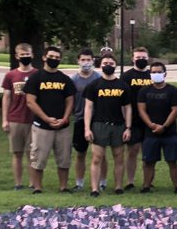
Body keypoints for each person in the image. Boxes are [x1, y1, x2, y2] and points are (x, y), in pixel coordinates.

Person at [25, 46, 76, 194]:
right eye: (51, 57)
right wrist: (46, 118)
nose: (54, 60)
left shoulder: (65, 79)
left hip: (62, 126)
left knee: (64, 159)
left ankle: (63, 187)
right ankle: (38, 187)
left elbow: (70, 101)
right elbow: (30, 102)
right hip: (41, 126)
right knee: (38, 159)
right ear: (44, 57)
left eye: (57, 57)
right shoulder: (36, 77)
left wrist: (65, 118)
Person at [83, 54, 131, 197]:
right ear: (100, 65)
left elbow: (128, 108)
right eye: (105, 63)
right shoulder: (94, 85)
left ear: (115, 65)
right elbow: (88, 107)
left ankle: (118, 187)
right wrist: (87, 128)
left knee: (119, 157)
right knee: (97, 158)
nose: (108, 65)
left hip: (118, 125)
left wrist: (128, 127)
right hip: (99, 125)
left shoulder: (122, 85)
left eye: (111, 62)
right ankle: (94, 189)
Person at [136, 60, 177, 194]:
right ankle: (146, 186)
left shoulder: (173, 90)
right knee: (148, 162)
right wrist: (151, 125)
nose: (156, 74)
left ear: (165, 74)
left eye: (159, 72)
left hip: (169, 132)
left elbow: (175, 110)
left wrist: (164, 126)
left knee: (172, 161)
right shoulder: (144, 91)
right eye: (153, 72)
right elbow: (141, 110)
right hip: (150, 133)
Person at [0, 42, 36, 190]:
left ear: (32, 55)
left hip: (33, 120)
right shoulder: (11, 75)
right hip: (15, 118)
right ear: (17, 56)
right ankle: (18, 183)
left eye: (27, 55)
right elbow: (6, 98)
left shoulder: (37, 74)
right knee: (17, 153)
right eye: (22, 55)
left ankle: (33, 183)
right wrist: (5, 120)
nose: (25, 57)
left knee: (32, 154)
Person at [119, 47, 153, 191]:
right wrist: (125, 121)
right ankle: (130, 181)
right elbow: (122, 101)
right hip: (133, 120)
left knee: (150, 152)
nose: (141, 60)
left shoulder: (153, 74)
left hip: (151, 120)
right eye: (138, 57)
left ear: (148, 58)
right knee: (132, 151)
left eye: (143, 57)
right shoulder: (126, 77)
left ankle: (148, 181)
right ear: (132, 59)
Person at [68, 49, 101, 192]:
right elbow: (70, 101)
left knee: (100, 154)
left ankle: (102, 182)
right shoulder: (73, 80)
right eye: (83, 60)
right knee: (80, 153)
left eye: (88, 60)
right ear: (78, 61)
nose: (86, 62)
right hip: (80, 119)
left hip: (98, 120)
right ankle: (79, 183)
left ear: (93, 61)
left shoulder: (99, 79)